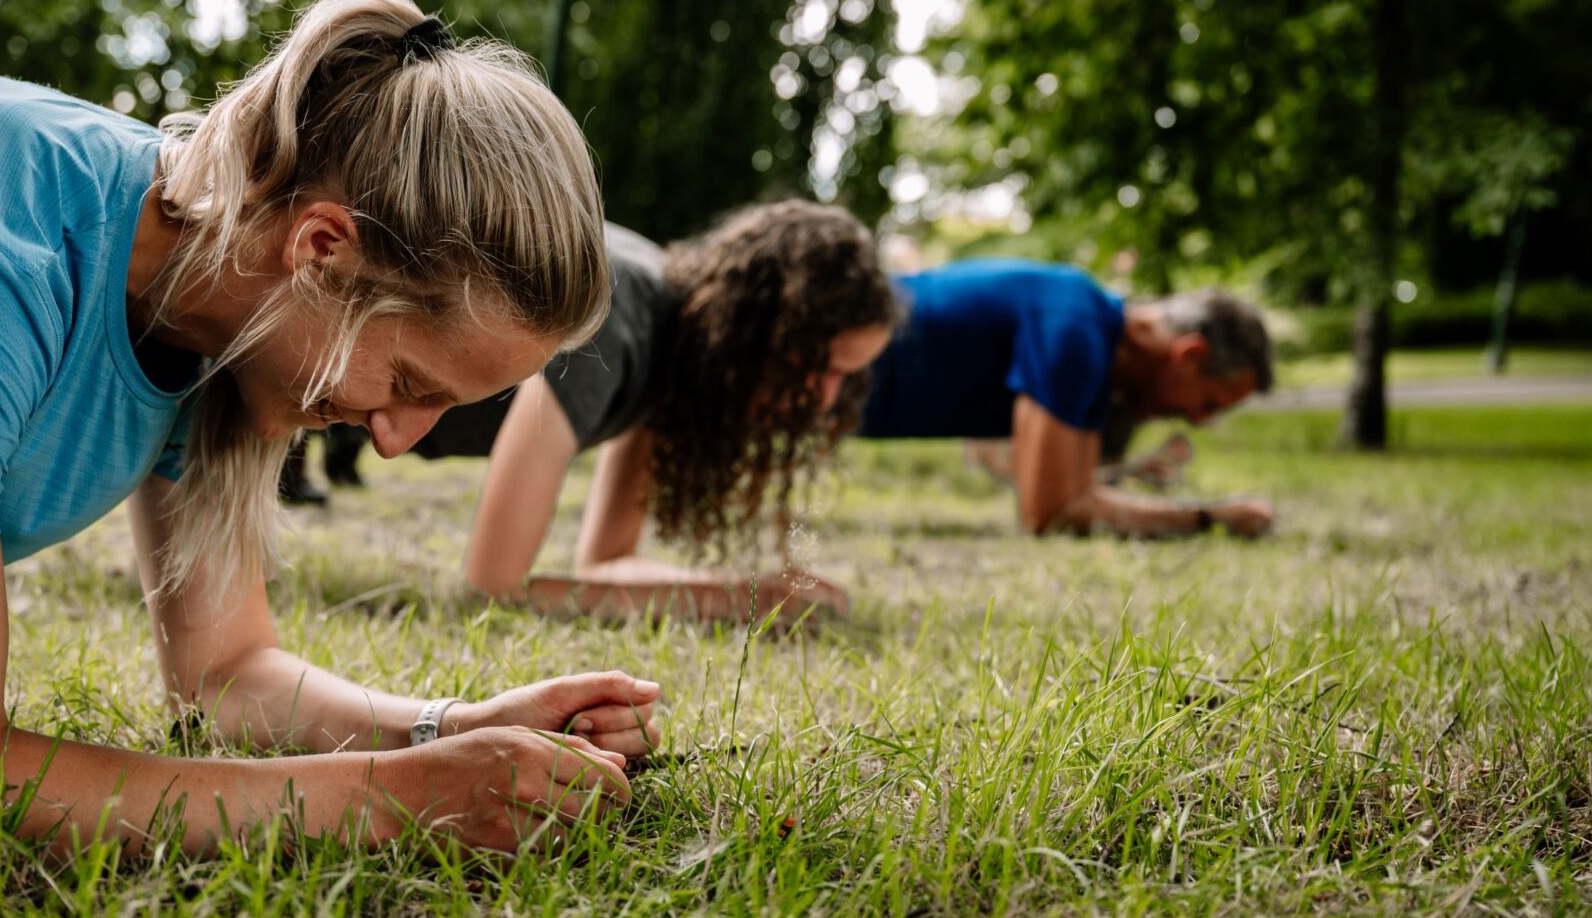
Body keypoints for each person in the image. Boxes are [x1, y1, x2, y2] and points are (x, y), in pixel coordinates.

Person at [0, 0, 662, 855]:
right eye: (411, 382)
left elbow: (224, 676)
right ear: (321, 248)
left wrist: (446, 729)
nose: (396, 437)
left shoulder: (217, 301)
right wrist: (393, 796)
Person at [411, 202, 897, 623]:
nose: (826, 400)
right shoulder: (605, 321)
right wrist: (736, 602)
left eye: (845, 378)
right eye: (820, 368)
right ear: (763, 331)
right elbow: (492, 588)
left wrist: (752, 591)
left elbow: (607, 562)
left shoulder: (677, 353)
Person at [858, 259, 1277, 537]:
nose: (1198, 420)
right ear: (1189, 354)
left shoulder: (1101, 358)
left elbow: (1079, 494)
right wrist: (1209, 518)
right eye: (1209, 403)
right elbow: (1050, 512)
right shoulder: (1074, 327)